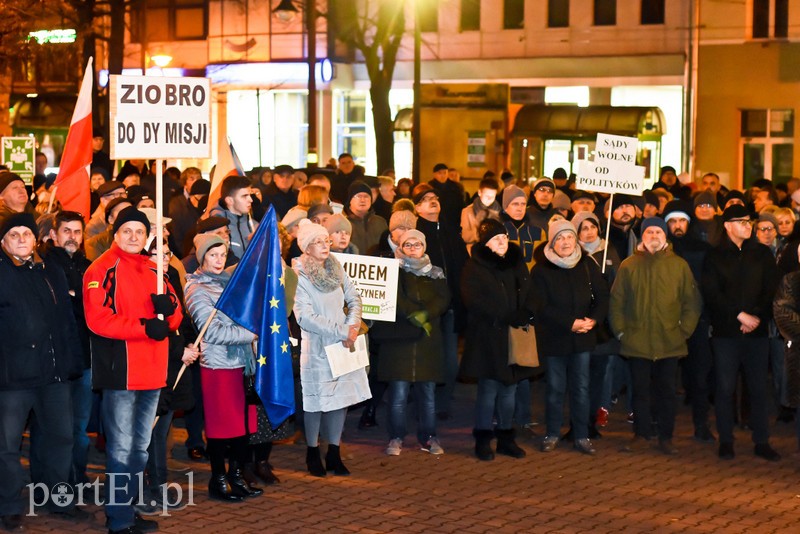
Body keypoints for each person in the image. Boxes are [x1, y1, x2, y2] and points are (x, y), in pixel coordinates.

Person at [83, 207, 184, 533]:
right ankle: (119, 519)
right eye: (127, 230)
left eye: (139, 232)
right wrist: (145, 327)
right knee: (122, 451)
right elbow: (98, 320)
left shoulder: (155, 269)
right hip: (122, 374)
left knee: (139, 450)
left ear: (147, 237)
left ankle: (128, 509)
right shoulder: (101, 268)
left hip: (153, 373)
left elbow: (175, 311)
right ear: (115, 233)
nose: (133, 237)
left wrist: (167, 315)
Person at [0, 213, 83, 530]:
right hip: (13, 380)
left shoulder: (52, 271)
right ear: (3, 242)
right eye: (14, 234)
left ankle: (58, 500)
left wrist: (71, 363)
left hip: (53, 375)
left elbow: (67, 322)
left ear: (37, 238)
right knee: (7, 446)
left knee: (61, 439)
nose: (22, 239)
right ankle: (9, 505)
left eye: (27, 233)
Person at [610, 217, 701, 455]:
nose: (653, 236)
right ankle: (641, 434)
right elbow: (616, 302)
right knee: (639, 392)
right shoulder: (629, 265)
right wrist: (621, 332)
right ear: (643, 236)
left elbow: (692, 303)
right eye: (649, 232)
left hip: (669, 341)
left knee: (667, 393)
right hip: (637, 341)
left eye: (658, 232)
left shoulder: (679, 265)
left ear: (665, 236)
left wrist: (683, 331)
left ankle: (666, 436)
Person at [184, 234, 263, 502]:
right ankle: (218, 479)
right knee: (221, 427)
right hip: (218, 365)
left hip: (242, 363)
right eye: (213, 255)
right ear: (202, 257)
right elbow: (212, 332)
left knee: (242, 425)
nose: (219, 261)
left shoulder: (230, 283)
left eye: (222, 254)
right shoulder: (196, 289)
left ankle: (236, 476)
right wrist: (251, 335)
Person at [702, 204, 781, 461]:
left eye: (750, 221)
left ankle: (762, 441)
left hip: (756, 334)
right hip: (726, 333)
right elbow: (713, 293)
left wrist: (756, 316)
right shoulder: (714, 256)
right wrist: (739, 314)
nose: (748, 226)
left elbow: (772, 291)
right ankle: (726, 440)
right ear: (727, 225)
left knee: (758, 388)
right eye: (742, 221)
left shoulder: (762, 254)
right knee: (725, 388)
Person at [292, 219, 370, 476]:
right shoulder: (299, 275)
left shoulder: (337, 267)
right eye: (317, 242)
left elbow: (353, 296)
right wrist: (341, 331)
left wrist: (353, 324)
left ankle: (334, 452)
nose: (324, 246)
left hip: (343, 343)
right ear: (306, 247)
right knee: (316, 400)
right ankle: (313, 451)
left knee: (341, 399)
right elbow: (304, 316)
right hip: (317, 347)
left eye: (325, 240)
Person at [461, 219, 536, 461]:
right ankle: (483, 439)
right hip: (488, 337)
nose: (502, 241)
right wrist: (504, 316)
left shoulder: (516, 263)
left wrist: (525, 312)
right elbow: (474, 300)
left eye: (504, 236)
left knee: (509, 390)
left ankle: (506, 437)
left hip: (514, 337)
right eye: (496, 238)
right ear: (486, 244)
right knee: (488, 390)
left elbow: (529, 290)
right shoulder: (475, 267)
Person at [532, 219, 608, 455]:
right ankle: (552, 433)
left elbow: (602, 296)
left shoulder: (587, 264)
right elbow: (539, 306)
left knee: (581, 388)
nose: (565, 242)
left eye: (569, 237)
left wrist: (593, 320)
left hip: (583, 337)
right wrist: (569, 323)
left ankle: (581, 434)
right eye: (560, 238)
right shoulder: (541, 269)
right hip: (555, 338)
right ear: (552, 242)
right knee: (555, 388)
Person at [378, 230, 450, 456]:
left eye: (417, 244)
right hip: (399, 342)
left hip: (428, 343)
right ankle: (396, 436)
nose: (412, 248)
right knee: (398, 394)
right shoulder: (392, 271)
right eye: (407, 244)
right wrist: (414, 316)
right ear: (400, 246)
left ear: (424, 247)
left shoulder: (436, 273)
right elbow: (394, 298)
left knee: (427, 394)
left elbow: (443, 298)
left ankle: (429, 437)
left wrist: (426, 314)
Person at [39, 211, 93, 488]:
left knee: (80, 428)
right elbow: (54, 309)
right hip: (54, 362)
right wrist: (73, 298)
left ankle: (78, 476)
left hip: (84, 358)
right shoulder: (43, 266)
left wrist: (76, 298)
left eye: (77, 232)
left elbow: (95, 310)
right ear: (53, 235)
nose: (72, 237)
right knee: (54, 428)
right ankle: (53, 483)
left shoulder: (90, 267)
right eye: (66, 231)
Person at [413, 183, 469, 418]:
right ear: (417, 208)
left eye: (435, 197)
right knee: (427, 357)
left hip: (452, 307)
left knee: (449, 360)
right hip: (427, 308)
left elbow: (465, 268)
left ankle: (443, 403)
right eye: (426, 199)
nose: (433, 201)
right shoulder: (416, 236)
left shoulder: (450, 232)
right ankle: (424, 404)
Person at [663, 200, 716, 442]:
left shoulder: (703, 249)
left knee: (699, 376)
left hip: (697, 319)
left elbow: (710, 285)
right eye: (672, 221)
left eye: (681, 220)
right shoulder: (659, 250)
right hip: (665, 321)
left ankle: (701, 424)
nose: (677, 225)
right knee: (664, 376)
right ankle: (662, 425)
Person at [209, 175, 258, 259]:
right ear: (229, 200)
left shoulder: (254, 225)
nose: (251, 200)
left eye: (250, 195)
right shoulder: (216, 229)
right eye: (244, 196)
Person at [345, 180, 388, 254]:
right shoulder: (344, 222)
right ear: (350, 200)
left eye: (366, 196)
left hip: (376, 264)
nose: (362, 200)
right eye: (358, 196)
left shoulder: (380, 222)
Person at [461, 177, 500, 253]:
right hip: (476, 252)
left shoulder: (499, 211)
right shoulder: (468, 211)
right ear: (479, 192)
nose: (489, 199)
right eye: (487, 196)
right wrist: (480, 232)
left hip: (495, 252)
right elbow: (465, 236)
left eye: (492, 196)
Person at [429, 163, 465, 231]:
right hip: (435, 220)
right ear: (434, 174)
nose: (442, 175)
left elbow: (461, 204)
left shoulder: (455, 187)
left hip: (453, 221)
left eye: (445, 173)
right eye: (440, 173)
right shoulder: (430, 187)